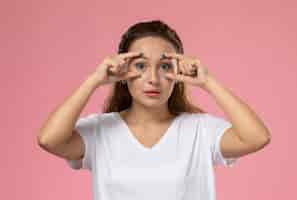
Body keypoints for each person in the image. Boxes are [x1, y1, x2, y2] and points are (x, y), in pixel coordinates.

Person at [37, 20, 271, 200]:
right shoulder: (101, 131)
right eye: (140, 65)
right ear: (122, 72)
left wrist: (208, 82)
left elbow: (257, 137)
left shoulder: (200, 130)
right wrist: (93, 81)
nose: (153, 78)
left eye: (165, 66)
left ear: (178, 73)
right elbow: (49, 139)